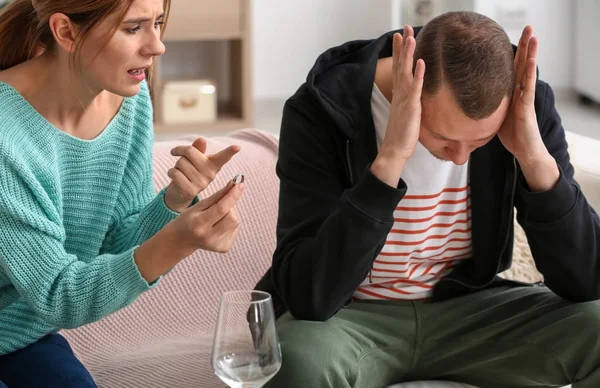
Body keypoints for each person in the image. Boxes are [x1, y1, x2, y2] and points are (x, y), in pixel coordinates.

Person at [256, 11, 600, 388]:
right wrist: (388, 162)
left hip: (471, 312)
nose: (460, 157)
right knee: (297, 360)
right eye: (443, 138)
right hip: (350, 320)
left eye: (480, 141)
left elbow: (587, 282)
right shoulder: (320, 108)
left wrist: (534, 160)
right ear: (411, 87)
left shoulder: (524, 106)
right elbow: (310, 297)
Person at [0, 0, 244, 386]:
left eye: (158, 23)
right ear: (65, 31)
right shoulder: (5, 134)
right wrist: (177, 241)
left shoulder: (127, 99)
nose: (157, 46)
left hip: (19, 336)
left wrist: (173, 203)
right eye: (133, 28)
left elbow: (114, 242)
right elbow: (57, 294)